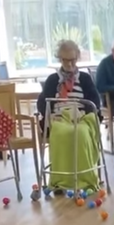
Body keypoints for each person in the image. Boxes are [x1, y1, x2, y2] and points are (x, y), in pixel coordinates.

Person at [37, 40, 102, 192]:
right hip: (59, 118)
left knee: (80, 133)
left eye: (72, 60)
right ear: (60, 59)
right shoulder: (52, 80)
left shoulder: (84, 78)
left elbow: (95, 102)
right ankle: (61, 180)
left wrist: (82, 113)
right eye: (65, 60)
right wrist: (51, 115)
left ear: (77, 58)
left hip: (81, 117)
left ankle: (85, 179)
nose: (69, 64)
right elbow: (42, 104)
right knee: (61, 133)